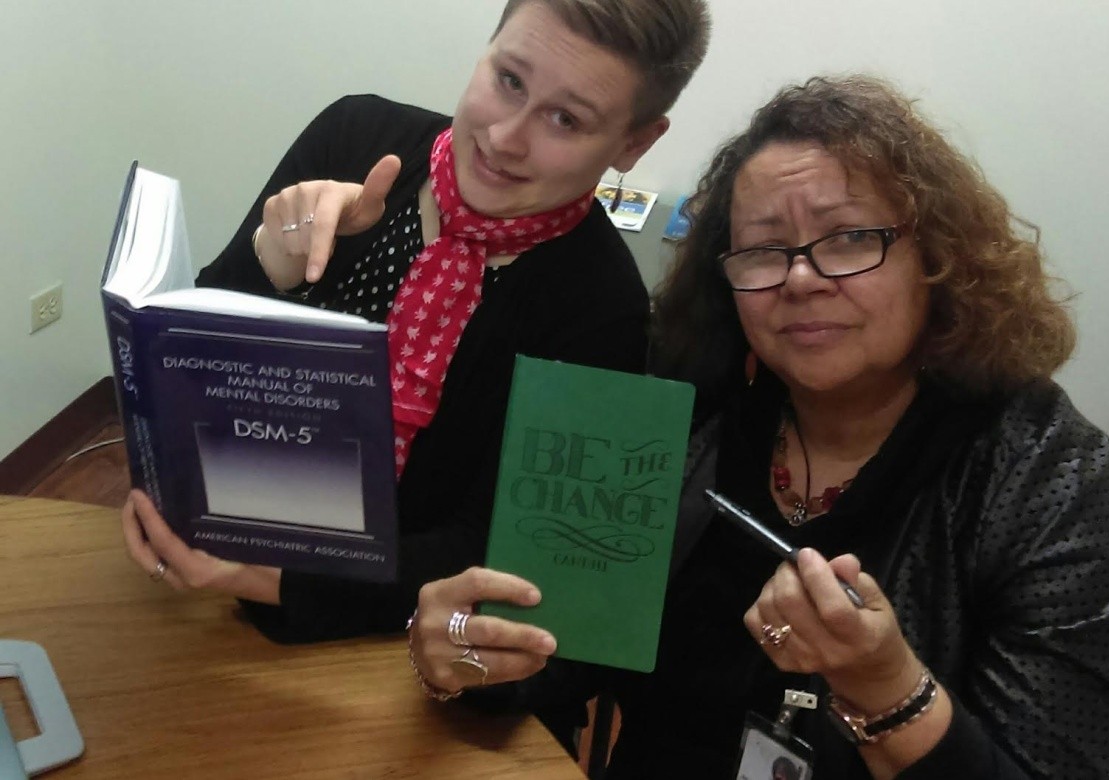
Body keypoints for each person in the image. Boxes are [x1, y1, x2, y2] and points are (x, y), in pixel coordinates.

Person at [408, 75, 1109, 778]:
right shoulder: (691, 423)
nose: (801, 279)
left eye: (847, 239)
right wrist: (471, 653)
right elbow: (566, 661)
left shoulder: (1057, 485)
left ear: (937, 256)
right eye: (765, 250)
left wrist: (888, 693)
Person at [120, 0, 711, 642]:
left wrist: (262, 578)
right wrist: (272, 264)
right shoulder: (355, 139)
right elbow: (189, 362)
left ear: (634, 142)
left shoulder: (604, 309)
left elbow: (506, 556)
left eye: (565, 119)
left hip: (402, 648)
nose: (506, 138)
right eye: (509, 80)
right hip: (198, 584)